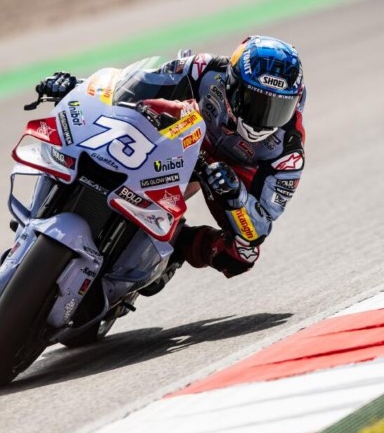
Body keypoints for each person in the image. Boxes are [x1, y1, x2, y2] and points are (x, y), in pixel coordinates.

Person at [36, 36, 306, 294]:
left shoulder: (288, 151)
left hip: (231, 172)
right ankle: (45, 208)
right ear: (233, 85)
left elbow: (259, 227)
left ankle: (178, 244)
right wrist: (80, 87)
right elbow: (137, 84)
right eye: (257, 103)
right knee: (95, 124)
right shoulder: (206, 70)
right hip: (184, 134)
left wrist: (234, 194)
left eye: (278, 107)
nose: (265, 119)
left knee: (244, 254)